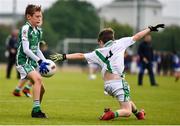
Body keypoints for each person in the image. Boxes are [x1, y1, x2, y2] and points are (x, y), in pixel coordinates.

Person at [50, 24, 165, 120]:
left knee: (127, 99)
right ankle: (111, 114)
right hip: (118, 82)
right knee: (126, 111)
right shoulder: (121, 43)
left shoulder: (97, 52)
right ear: (113, 38)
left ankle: (139, 114)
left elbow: (80, 55)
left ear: (100, 41)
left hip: (108, 86)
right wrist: (149, 29)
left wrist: (64, 56)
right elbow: (137, 36)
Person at [16, 4, 49, 118]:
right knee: (38, 79)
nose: (39, 19)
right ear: (29, 17)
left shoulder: (38, 31)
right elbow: (26, 50)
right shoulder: (26, 29)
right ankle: (36, 111)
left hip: (32, 63)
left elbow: (37, 49)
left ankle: (36, 109)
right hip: (23, 61)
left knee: (42, 90)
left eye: (41, 17)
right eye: (37, 16)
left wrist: (46, 61)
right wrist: (40, 61)